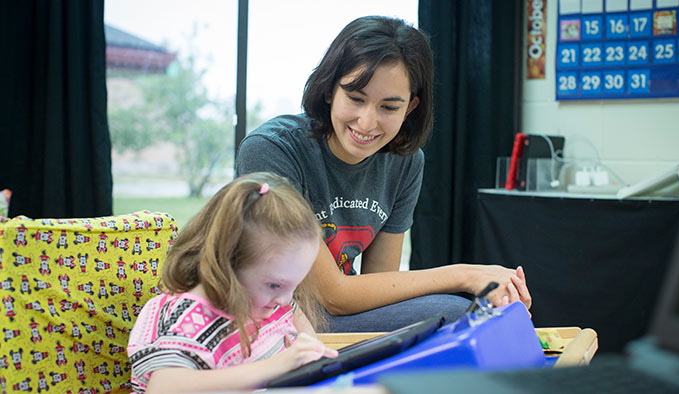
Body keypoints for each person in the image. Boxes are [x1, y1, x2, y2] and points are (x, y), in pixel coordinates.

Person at [235, 16, 531, 332]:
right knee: (460, 314)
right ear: (329, 91)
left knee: (482, 313)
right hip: (270, 316)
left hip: (333, 318)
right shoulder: (271, 150)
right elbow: (330, 294)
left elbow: (378, 287)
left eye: (388, 108)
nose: (367, 122)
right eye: (355, 98)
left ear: (410, 108)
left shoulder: (405, 162)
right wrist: (466, 275)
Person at [127, 172, 338, 393]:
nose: (285, 299)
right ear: (227, 264)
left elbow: (293, 312)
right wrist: (276, 366)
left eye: (295, 285)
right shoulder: (191, 317)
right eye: (275, 286)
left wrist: (311, 355)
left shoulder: (267, 298)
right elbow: (163, 388)